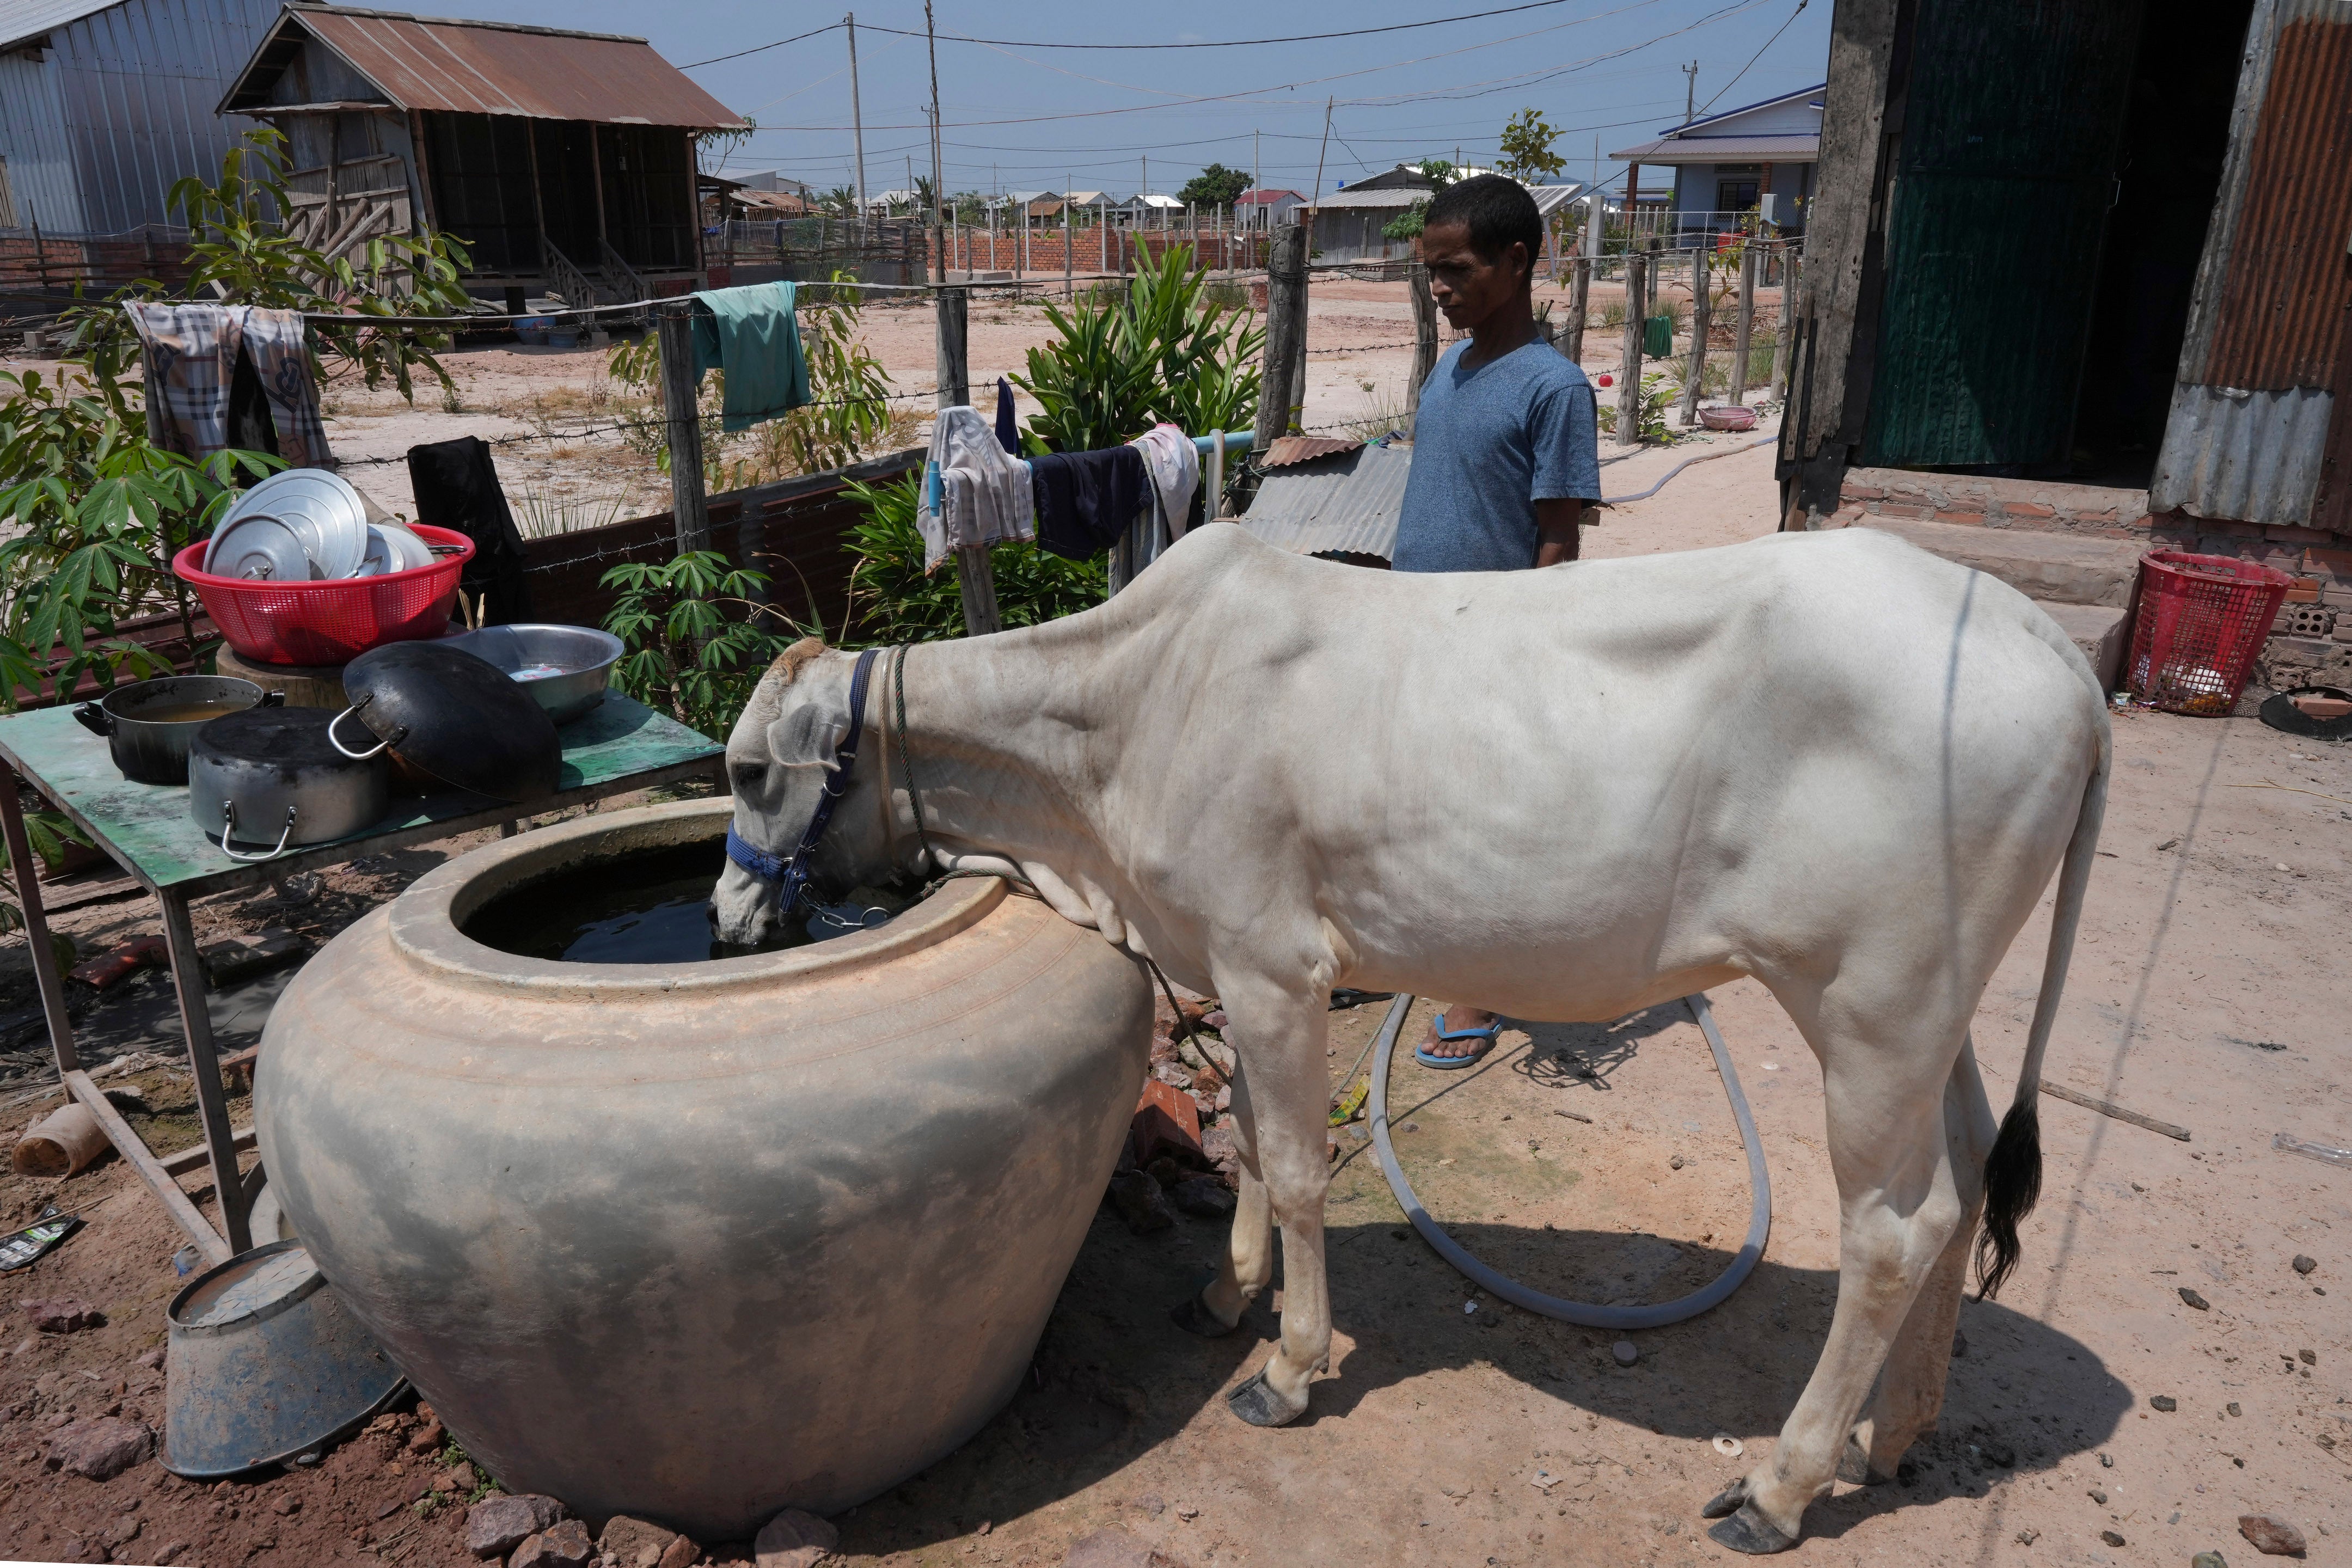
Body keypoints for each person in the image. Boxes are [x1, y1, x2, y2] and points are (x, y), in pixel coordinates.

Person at [1392, 173, 1601, 1067]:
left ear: (1516, 262)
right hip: (1413, 628)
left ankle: (1475, 985)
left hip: (1489, 642)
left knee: (1474, 825)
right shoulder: (1451, 365)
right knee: (1408, 809)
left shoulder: (1552, 389)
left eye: (1455, 270)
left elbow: (1560, 541)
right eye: (1431, 272)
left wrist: (1528, 655)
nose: (1439, 288)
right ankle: (1406, 949)